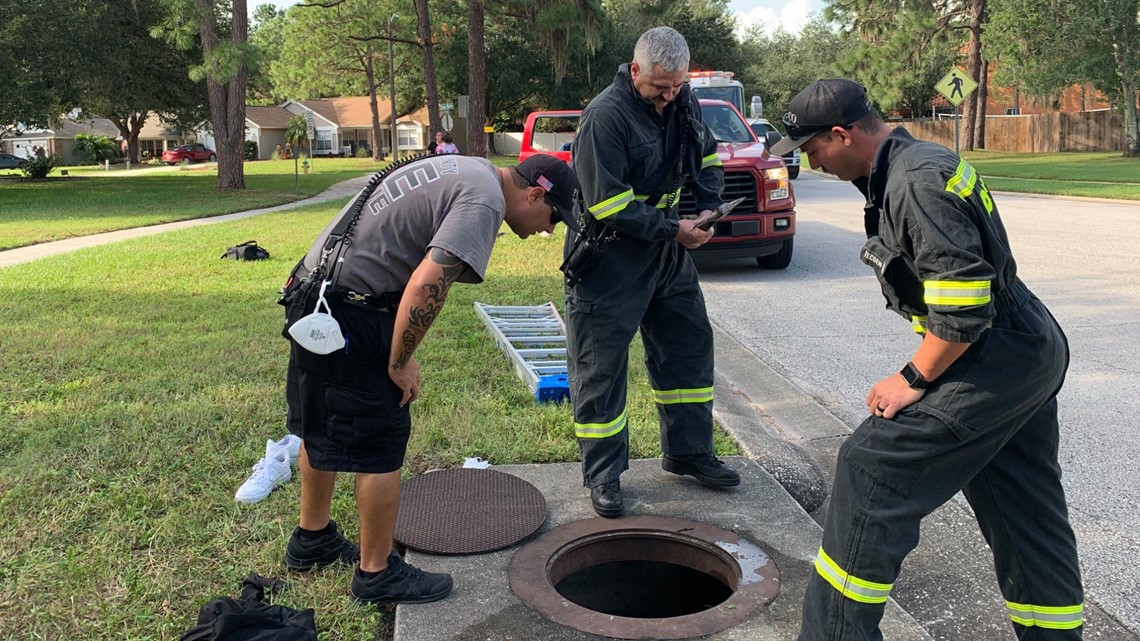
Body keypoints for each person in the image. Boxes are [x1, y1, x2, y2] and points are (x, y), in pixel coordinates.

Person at [768, 79, 1084, 639]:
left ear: (842, 135)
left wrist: (913, 376)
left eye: (813, 150)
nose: (810, 164)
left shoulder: (914, 181)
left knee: (870, 467)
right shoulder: (911, 163)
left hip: (995, 356)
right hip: (1024, 350)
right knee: (1022, 510)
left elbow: (962, 306)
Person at [279, 153, 581, 606]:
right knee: (381, 442)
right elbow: (426, 285)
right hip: (352, 311)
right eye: (553, 216)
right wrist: (400, 362)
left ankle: (312, 537)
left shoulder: (467, 168)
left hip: (313, 295)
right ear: (535, 193)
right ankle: (376, 573)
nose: (548, 229)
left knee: (319, 424)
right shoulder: (484, 201)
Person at [564, 26, 738, 519]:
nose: (668, 96)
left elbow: (705, 158)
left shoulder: (684, 102)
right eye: (660, 87)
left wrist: (707, 207)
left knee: (687, 346)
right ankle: (603, 475)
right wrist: (673, 228)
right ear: (635, 69)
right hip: (610, 257)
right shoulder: (604, 117)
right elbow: (608, 204)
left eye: (677, 86)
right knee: (601, 368)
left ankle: (687, 453)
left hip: (667, 253)